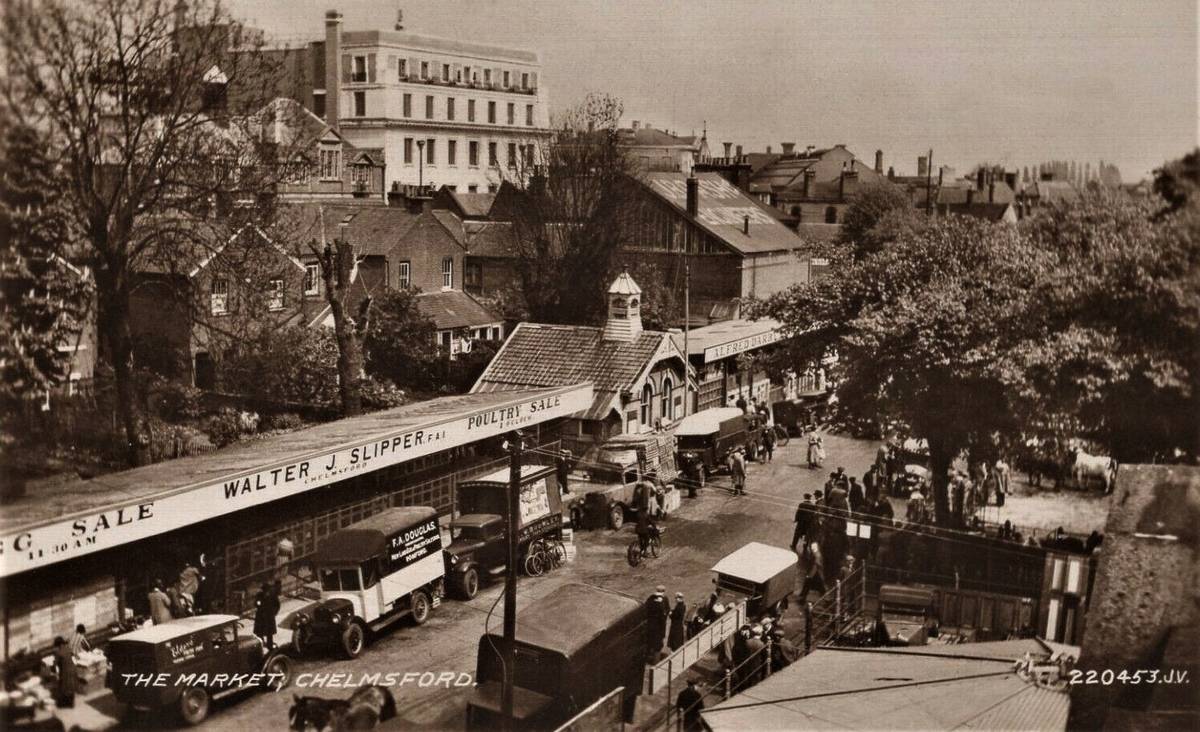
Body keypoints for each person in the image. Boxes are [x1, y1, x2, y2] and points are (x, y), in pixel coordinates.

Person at [253, 581, 279, 651]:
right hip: (261, 616)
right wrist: (258, 604)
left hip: (269, 616)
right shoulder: (259, 595)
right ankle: (261, 644)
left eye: (266, 590)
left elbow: (277, 605)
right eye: (264, 590)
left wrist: (274, 613)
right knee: (260, 632)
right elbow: (256, 603)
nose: (265, 591)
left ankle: (269, 645)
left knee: (269, 633)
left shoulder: (273, 596)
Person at [53, 636, 77, 708]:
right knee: (71, 685)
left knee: (65, 686)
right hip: (72, 669)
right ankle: (71, 703)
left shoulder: (58, 652)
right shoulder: (68, 648)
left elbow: (55, 663)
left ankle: (65, 704)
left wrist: (54, 662)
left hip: (65, 671)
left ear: (58, 645)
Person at [645, 586, 669, 660]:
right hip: (659, 626)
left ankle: (647, 657)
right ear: (663, 591)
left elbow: (645, 608)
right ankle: (655, 661)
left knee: (649, 641)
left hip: (650, 624)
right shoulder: (664, 599)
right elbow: (666, 611)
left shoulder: (650, 598)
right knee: (658, 644)